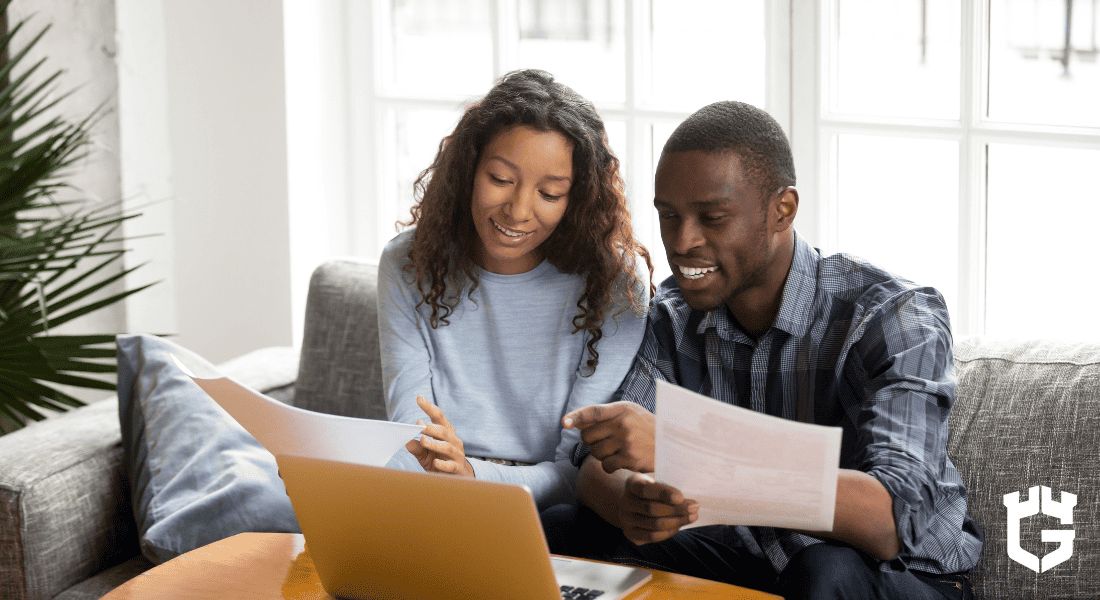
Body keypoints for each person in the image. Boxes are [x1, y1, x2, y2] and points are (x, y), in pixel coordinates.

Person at [545, 101, 983, 598]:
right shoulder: (672, 315)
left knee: (825, 572)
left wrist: (686, 451)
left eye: (712, 217)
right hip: (753, 566)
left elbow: (889, 519)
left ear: (783, 209)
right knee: (569, 526)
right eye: (669, 216)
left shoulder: (892, 316)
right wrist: (630, 500)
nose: (682, 241)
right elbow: (593, 462)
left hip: (896, 576)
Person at [377, 69, 653, 511]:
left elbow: (575, 473)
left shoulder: (617, 286)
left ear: (576, 198)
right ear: (468, 169)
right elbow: (410, 437)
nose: (518, 210)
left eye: (549, 193)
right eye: (501, 180)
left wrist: (471, 475)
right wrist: (443, 471)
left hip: (543, 510)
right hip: (429, 495)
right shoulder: (408, 263)